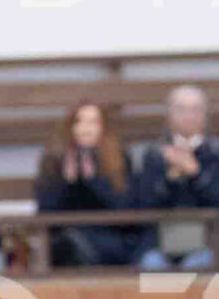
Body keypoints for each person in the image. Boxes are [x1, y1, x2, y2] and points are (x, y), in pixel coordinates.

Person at [133, 85, 219, 270]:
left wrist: (195, 174)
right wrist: (170, 180)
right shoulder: (154, 155)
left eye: (195, 110)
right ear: (169, 115)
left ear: (205, 115)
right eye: (181, 109)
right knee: (151, 264)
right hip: (161, 242)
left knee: (199, 265)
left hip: (207, 241)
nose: (188, 116)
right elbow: (145, 204)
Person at [31, 103, 143, 268]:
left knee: (82, 246)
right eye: (79, 122)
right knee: (67, 244)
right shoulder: (54, 160)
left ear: (103, 128)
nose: (86, 128)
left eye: (93, 122)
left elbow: (126, 210)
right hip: (65, 240)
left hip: (109, 237)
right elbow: (45, 213)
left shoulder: (120, 158)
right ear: (70, 127)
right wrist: (66, 182)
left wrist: (94, 180)